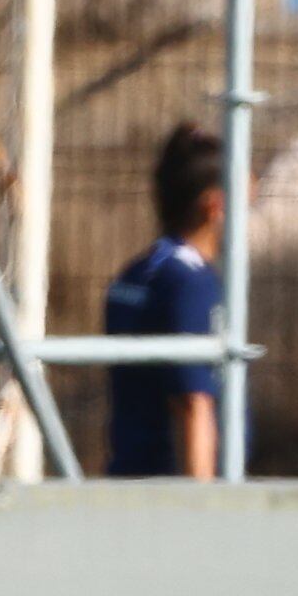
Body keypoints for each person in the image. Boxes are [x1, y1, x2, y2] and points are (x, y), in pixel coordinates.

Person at [104, 123, 228, 481]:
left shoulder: (136, 272)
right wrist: (203, 506)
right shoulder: (191, 282)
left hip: (128, 478)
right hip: (170, 491)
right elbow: (192, 403)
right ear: (215, 206)